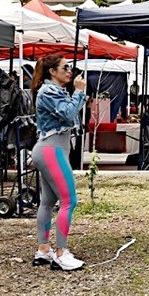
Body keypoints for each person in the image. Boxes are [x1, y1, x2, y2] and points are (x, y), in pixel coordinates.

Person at [30, 53, 87, 272]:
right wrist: (80, 92)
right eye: (65, 67)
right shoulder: (50, 91)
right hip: (52, 150)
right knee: (68, 201)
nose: (70, 71)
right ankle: (61, 253)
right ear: (52, 72)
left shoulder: (54, 90)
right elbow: (68, 113)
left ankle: (44, 249)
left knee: (48, 201)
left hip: (51, 149)